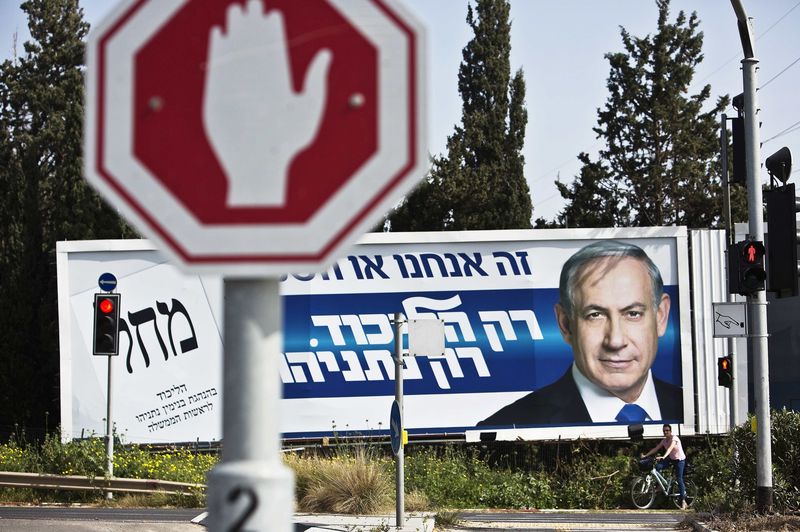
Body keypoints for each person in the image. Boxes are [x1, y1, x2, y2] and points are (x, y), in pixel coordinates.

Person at [478, 240, 682, 426]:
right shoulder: (508, 424)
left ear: (660, 317)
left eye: (633, 313)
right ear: (566, 324)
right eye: (595, 315)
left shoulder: (689, 408)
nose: (616, 340)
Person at [642, 423, 687, 509]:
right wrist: (646, 455)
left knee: (679, 479)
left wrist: (663, 456)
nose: (665, 432)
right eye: (664, 431)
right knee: (658, 467)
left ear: (670, 431)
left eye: (667, 431)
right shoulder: (664, 440)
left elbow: (670, 448)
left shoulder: (675, 439)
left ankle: (683, 501)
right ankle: (660, 485)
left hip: (679, 460)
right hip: (671, 459)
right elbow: (656, 448)